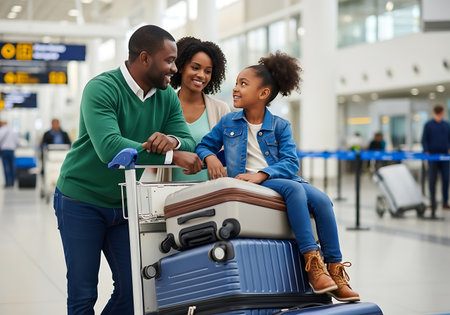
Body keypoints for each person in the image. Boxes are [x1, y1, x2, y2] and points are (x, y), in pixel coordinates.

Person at [54, 25, 203, 315]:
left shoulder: (167, 97)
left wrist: (171, 140)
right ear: (145, 58)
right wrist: (173, 156)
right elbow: (112, 149)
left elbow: (189, 141)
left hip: (125, 205)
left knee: (135, 289)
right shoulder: (101, 88)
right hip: (81, 200)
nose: (174, 68)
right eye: (169, 60)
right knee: (83, 293)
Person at [195, 52, 360, 302]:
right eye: (237, 83)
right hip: (258, 182)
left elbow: (291, 163)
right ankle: (313, 264)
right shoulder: (229, 122)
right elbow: (204, 145)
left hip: (273, 177)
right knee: (296, 192)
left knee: (324, 200)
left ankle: (335, 272)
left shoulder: (281, 126)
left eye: (243, 84)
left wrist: (262, 174)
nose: (236, 89)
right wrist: (211, 158)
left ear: (263, 94)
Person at [156, 36, 230, 182]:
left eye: (207, 71)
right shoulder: (162, 106)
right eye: (195, 68)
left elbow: (230, 153)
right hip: (169, 194)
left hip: (211, 193)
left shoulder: (221, 109)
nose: (201, 75)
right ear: (181, 66)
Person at [421, 104, 450, 212]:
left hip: (445, 157)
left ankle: (445, 201)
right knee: (432, 180)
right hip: (432, 157)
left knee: (446, 179)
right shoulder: (428, 125)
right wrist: (426, 150)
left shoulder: (446, 125)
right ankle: (433, 202)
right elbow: (424, 139)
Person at [0, 121, 19, 188]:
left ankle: (8, 183)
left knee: (6, 167)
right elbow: (17, 141)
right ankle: (12, 182)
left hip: (4, 150)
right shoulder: (12, 131)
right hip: (11, 150)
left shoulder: (1, 130)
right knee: (12, 166)